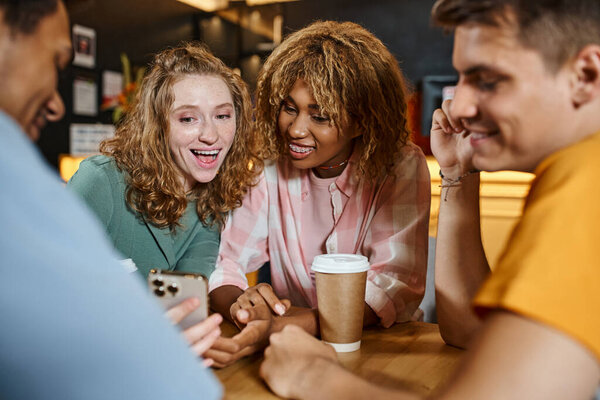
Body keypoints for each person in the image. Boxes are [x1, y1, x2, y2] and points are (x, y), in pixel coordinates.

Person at [258, 0, 600, 399]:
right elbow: (467, 333)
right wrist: (457, 175)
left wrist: (311, 378)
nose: (461, 105)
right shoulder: (574, 172)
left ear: (586, 75)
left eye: (487, 80)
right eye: (462, 78)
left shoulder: (587, 179)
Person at [0, 1, 222, 398]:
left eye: (223, 115)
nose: (57, 105)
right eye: (56, 60)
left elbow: (186, 301)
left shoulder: (212, 200)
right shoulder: (95, 180)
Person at [207, 20, 431, 367]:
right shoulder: (270, 167)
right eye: (289, 107)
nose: (296, 129)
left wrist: (305, 321)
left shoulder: (400, 165)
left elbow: (395, 282)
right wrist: (241, 305)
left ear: (362, 121)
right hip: (294, 349)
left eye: (320, 116)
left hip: (384, 350)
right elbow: (226, 260)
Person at [67, 42, 260, 280]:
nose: (210, 135)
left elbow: (189, 291)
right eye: (188, 119)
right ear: (158, 125)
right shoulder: (100, 181)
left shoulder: (213, 197)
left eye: (222, 116)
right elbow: (50, 280)